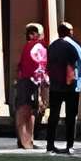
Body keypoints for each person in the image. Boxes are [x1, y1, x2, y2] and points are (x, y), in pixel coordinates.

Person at [44, 16, 81, 153]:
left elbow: (48, 64)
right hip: (71, 87)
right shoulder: (74, 45)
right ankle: (70, 145)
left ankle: (50, 144)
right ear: (70, 32)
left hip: (55, 86)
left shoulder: (52, 45)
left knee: (53, 116)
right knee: (71, 116)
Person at [13, 21, 49, 151]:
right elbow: (40, 67)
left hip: (24, 81)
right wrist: (43, 85)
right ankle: (27, 141)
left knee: (23, 109)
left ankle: (24, 140)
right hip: (32, 82)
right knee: (30, 111)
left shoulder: (27, 46)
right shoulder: (38, 47)